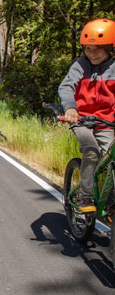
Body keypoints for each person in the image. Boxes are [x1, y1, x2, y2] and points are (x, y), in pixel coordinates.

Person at [58, 18, 115, 213]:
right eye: (88, 49)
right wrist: (71, 108)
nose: (92, 54)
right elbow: (66, 87)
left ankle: (111, 199)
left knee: (111, 156)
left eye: (98, 49)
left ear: (110, 47)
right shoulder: (80, 65)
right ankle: (85, 197)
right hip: (81, 119)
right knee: (90, 150)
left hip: (106, 122)